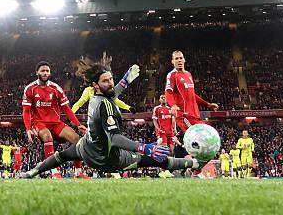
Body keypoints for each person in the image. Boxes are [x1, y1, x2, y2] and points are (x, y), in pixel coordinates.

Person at [23, 64, 206, 178]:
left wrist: (125, 81)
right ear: (95, 85)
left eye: (111, 79)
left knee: (62, 156)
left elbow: (113, 92)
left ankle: (31, 172)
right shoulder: (106, 106)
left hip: (86, 148)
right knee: (153, 159)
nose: (111, 83)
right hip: (106, 159)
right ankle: (194, 164)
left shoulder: (95, 97)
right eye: (106, 81)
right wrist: (143, 147)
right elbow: (114, 138)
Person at [22, 61, 87, 177]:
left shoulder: (56, 88)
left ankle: (78, 172)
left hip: (56, 123)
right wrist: (28, 129)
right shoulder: (30, 89)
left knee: (77, 139)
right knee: (47, 136)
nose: (45, 73)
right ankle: (55, 171)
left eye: (47, 71)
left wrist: (78, 125)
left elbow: (67, 109)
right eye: (42, 71)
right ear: (37, 72)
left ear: (50, 73)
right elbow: (26, 111)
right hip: (39, 123)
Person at [164, 50, 219, 158]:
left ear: (184, 60)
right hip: (184, 115)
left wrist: (207, 104)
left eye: (181, 58)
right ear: (172, 61)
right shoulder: (172, 75)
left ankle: (187, 162)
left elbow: (192, 95)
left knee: (205, 139)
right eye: (176, 58)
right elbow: (168, 92)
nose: (179, 60)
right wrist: (173, 105)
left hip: (195, 115)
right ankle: (189, 163)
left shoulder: (188, 74)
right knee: (198, 138)